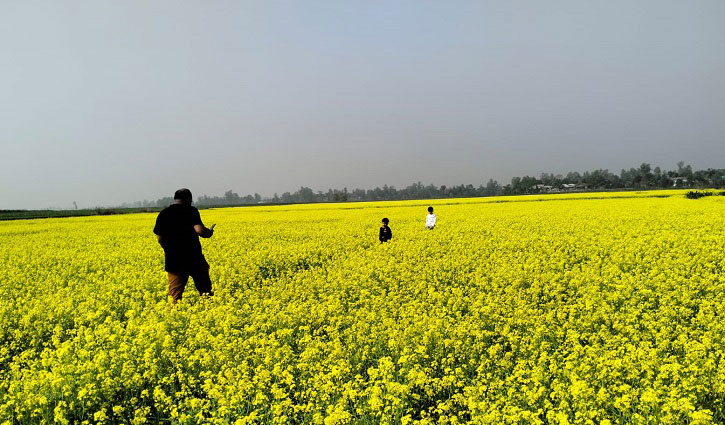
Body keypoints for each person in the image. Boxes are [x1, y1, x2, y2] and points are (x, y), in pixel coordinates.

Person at [153, 188, 215, 302]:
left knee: (175, 296)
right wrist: (209, 232)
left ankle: (173, 315)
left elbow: (160, 238)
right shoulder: (191, 211)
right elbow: (200, 231)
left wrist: (169, 249)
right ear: (189, 199)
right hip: (194, 257)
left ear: (175, 199)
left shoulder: (164, 213)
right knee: (205, 291)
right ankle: (210, 308)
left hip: (173, 260)